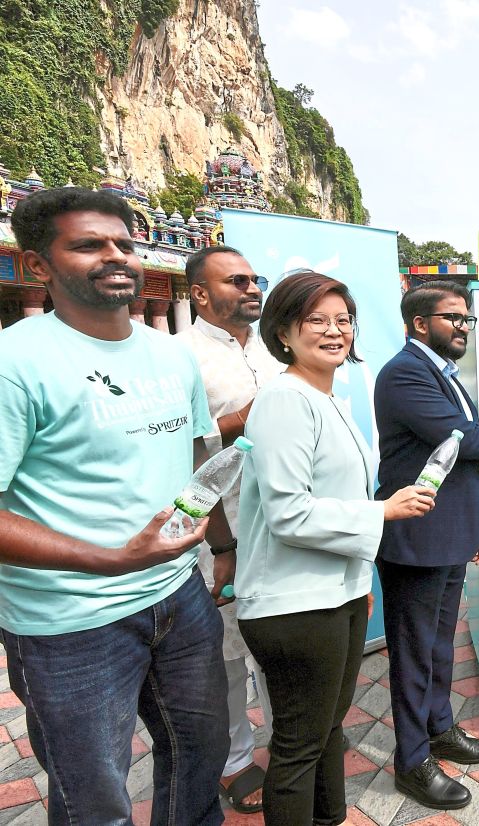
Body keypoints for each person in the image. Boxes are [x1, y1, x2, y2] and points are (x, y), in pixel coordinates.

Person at [0, 187, 229, 824]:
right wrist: (110, 559)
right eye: (88, 245)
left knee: (198, 758)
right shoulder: (14, 363)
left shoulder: (170, 354)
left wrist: (217, 545)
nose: (115, 256)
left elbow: (191, 460)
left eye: (124, 243)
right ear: (39, 265)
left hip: (178, 598)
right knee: (93, 797)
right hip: (70, 622)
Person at [235, 271, 436, 826]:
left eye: (342, 320)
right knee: (300, 744)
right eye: (316, 320)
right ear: (282, 331)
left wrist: (359, 581)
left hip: (336, 591)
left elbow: (338, 494)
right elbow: (288, 513)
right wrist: (384, 511)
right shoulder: (283, 399)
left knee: (327, 731)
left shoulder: (331, 397)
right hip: (292, 601)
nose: (333, 331)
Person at [375, 281, 479, 810]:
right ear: (419, 323)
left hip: (447, 531)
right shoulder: (405, 372)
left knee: (439, 645)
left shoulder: (440, 373)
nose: (465, 328)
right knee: (413, 651)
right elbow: (462, 439)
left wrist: (470, 531)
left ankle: (440, 728)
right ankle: (411, 760)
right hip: (415, 536)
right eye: (455, 318)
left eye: (468, 319)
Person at [181, 244, 284, 814]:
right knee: (222, 655)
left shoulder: (274, 348)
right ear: (200, 293)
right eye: (236, 280)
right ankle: (235, 760)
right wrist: (248, 415)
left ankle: (288, 737)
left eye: (255, 279)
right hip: (222, 532)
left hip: (285, 524)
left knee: (280, 638)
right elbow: (184, 449)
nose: (251, 289)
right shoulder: (181, 357)